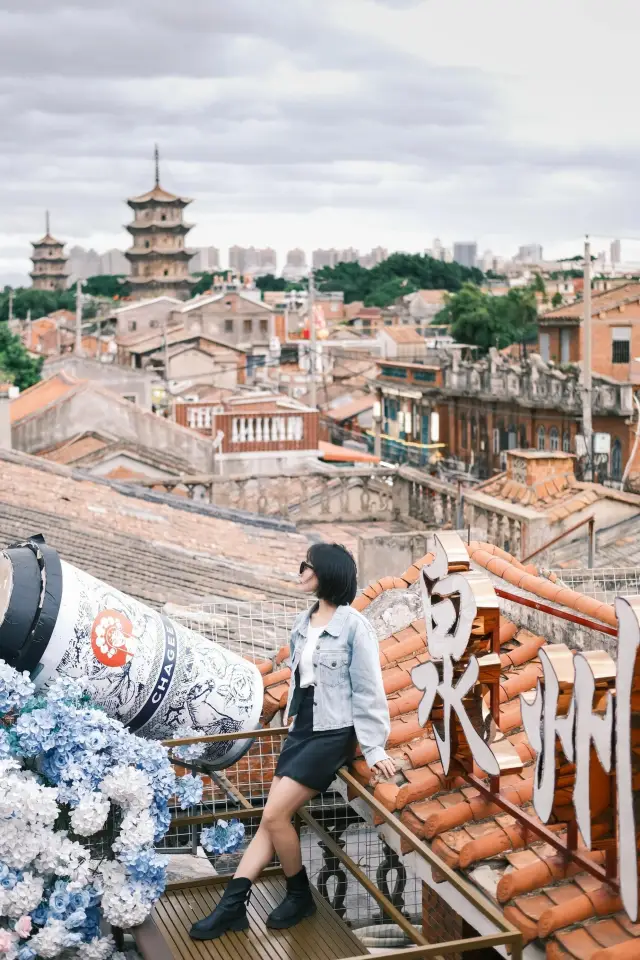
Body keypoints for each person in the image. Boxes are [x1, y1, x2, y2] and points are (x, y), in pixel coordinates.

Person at [190, 542, 394, 941]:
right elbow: (301, 676)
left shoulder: (355, 627)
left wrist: (374, 748)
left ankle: (297, 893)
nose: (301, 572)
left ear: (329, 574)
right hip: (304, 728)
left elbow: (369, 691)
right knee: (271, 818)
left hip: (333, 732)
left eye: (309, 567)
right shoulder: (304, 622)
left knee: (272, 816)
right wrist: (294, 709)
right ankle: (233, 906)